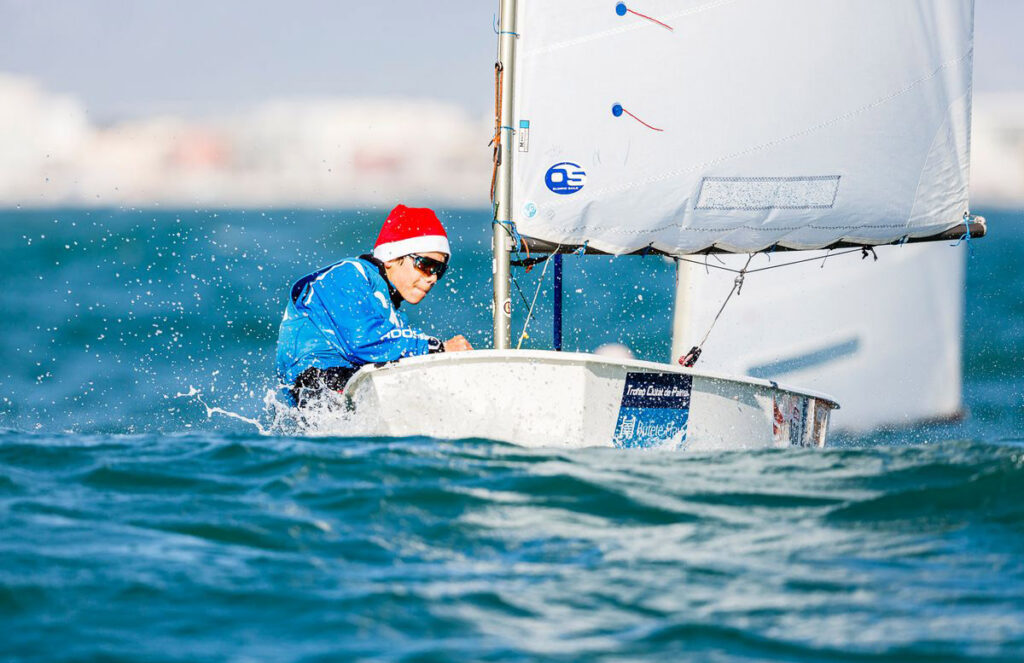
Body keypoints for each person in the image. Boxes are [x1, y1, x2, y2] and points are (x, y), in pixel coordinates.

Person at [276, 204, 472, 406]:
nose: (432, 278)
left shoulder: (390, 309)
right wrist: (438, 348)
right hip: (318, 380)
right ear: (391, 258)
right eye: (426, 265)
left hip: (341, 379)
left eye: (439, 270)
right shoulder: (349, 274)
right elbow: (364, 341)